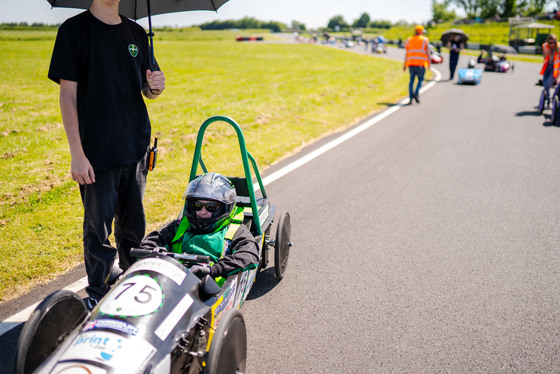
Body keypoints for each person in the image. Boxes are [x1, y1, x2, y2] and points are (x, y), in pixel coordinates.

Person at [48, 0, 166, 311]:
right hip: (96, 152)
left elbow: (147, 89)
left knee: (133, 228)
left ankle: (132, 288)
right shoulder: (74, 31)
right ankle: (97, 294)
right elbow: (67, 96)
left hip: (136, 145)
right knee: (97, 232)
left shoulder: (138, 33)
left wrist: (156, 86)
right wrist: (77, 154)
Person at [139, 173, 260, 279]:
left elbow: (249, 254)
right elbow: (154, 239)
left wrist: (212, 270)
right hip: (174, 280)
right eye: (197, 205)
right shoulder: (181, 225)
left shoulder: (234, 230)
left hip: (211, 288)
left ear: (224, 207)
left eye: (211, 207)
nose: (203, 212)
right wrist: (155, 253)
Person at [403, 25, 431, 104]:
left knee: (411, 81)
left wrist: (405, 65)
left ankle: (411, 97)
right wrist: (429, 63)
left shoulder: (409, 40)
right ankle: (416, 93)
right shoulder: (425, 40)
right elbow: (428, 52)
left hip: (411, 64)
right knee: (420, 80)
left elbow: (407, 53)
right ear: (421, 31)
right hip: (421, 64)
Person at [540, 34, 559, 103]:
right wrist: (548, 52)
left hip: (555, 68)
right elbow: (544, 56)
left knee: (548, 84)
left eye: (554, 42)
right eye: (550, 43)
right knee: (545, 84)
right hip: (547, 67)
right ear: (548, 42)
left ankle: (552, 99)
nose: (552, 44)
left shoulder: (558, 47)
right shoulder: (545, 46)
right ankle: (547, 99)